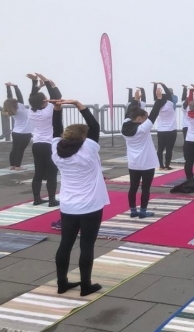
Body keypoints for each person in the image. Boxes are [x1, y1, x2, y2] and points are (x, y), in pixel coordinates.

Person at [51, 99, 109, 297]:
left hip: (68, 205)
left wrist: (57, 109)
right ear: (84, 138)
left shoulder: (56, 150)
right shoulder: (88, 149)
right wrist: (79, 105)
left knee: (65, 244)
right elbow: (95, 126)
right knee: (86, 245)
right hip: (90, 205)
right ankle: (86, 285)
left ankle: (62, 283)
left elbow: (55, 130)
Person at [122, 87, 167, 218]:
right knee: (145, 188)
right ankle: (142, 211)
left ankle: (133, 211)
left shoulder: (125, 125)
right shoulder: (143, 128)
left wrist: (135, 100)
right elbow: (154, 113)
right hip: (147, 163)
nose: (147, 119)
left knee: (133, 187)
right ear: (140, 118)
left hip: (133, 163)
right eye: (144, 118)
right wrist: (159, 98)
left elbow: (129, 112)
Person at [28, 73, 62, 207]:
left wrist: (35, 84)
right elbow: (57, 97)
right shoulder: (48, 110)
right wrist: (47, 82)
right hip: (49, 144)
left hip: (37, 144)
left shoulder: (32, 111)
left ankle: (36, 199)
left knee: (38, 172)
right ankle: (52, 200)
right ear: (44, 102)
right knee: (52, 173)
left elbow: (32, 98)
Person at [4, 82, 33, 170]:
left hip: (16, 132)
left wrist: (8, 87)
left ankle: (12, 165)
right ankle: (18, 166)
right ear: (15, 103)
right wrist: (15, 87)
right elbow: (19, 96)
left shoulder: (11, 109)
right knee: (20, 150)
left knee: (15, 148)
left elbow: (9, 98)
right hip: (25, 132)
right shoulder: (20, 107)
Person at [152, 82, 178, 170]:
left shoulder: (158, 105)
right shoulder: (170, 104)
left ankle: (161, 165)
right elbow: (168, 93)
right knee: (169, 149)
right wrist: (163, 85)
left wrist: (155, 86)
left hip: (161, 130)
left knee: (160, 149)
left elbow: (155, 97)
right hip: (171, 130)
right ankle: (167, 166)